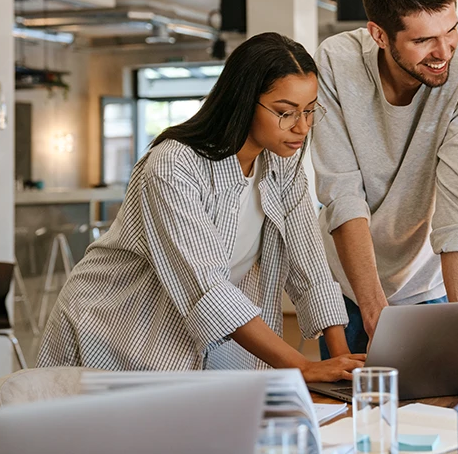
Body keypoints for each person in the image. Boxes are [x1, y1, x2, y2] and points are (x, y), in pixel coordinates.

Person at [38, 33, 365, 382]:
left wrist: (343, 365)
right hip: (111, 330)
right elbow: (208, 287)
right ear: (243, 101)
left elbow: (310, 267)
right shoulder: (173, 165)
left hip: (184, 341)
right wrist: (303, 366)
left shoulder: (282, 166)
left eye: (310, 110)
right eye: (286, 113)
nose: (302, 126)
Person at [312, 0, 458, 382]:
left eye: (452, 29)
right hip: (348, 287)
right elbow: (342, 193)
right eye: (423, 41)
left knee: (446, 413)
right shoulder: (335, 62)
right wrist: (372, 308)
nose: (444, 52)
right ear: (379, 35)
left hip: (431, 290)